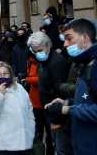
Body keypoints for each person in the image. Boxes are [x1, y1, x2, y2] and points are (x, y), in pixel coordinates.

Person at [45, 18, 97, 155]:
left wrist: (67, 109)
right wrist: (67, 101)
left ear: (84, 37)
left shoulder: (95, 66)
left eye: (69, 38)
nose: (66, 44)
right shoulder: (85, 64)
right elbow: (89, 98)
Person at [27, 32, 72, 155]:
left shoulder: (57, 62)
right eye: (35, 51)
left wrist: (56, 119)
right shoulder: (44, 60)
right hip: (48, 110)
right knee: (54, 143)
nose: (38, 54)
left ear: (48, 45)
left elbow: (59, 91)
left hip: (58, 112)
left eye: (40, 50)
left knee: (62, 148)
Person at [0, 62, 35, 154]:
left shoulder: (19, 89)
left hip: (22, 145)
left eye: (5, 73)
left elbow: (29, 110)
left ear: (10, 74)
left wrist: (30, 130)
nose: (2, 76)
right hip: (1, 147)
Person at [25, 51, 54, 155]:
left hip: (47, 102)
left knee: (50, 135)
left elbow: (45, 80)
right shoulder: (30, 61)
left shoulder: (48, 62)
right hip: (34, 101)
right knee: (37, 132)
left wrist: (29, 79)